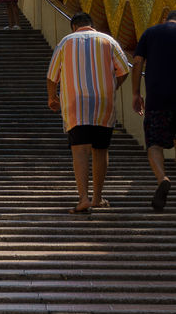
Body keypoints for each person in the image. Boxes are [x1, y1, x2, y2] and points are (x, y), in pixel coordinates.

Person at [47, 12, 130, 212]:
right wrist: (111, 87)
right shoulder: (108, 40)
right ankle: (97, 198)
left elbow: (52, 76)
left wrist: (52, 97)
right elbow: (124, 69)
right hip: (103, 102)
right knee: (100, 150)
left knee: (80, 150)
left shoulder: (65, 42)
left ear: (73, 26)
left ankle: (83, 198)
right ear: (92, 25)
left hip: (76, 104)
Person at [131, 9, 176, 210]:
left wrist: (135, 93)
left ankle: (162, 179)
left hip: (157, 99)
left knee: (154, 145)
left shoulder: (151, 32)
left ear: (165, 18)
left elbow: (138, 61)